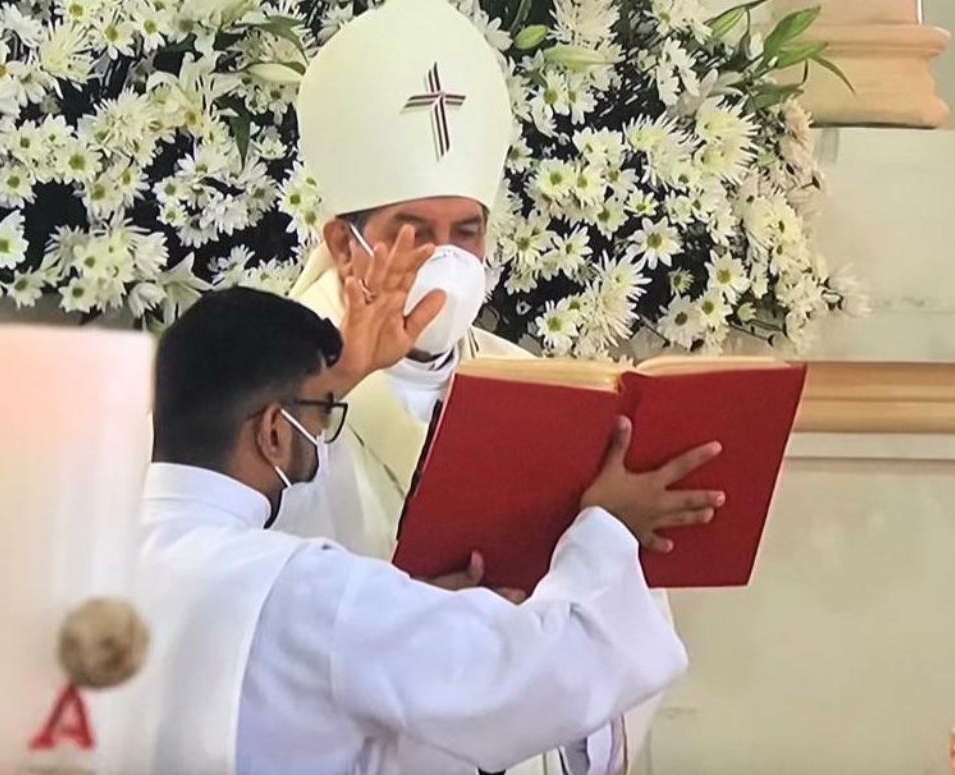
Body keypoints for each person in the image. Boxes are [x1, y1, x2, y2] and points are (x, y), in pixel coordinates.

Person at [286, 0, 722, 770]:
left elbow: (627, 634)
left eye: (466, 231)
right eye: (410, 229)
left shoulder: (542, 386)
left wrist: (614, 541)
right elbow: (240, 612)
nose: (444, 258)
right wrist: (412, 624)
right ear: (343, 244)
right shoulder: (279, 394)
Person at [116, 227, 709, 775]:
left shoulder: (89, 560)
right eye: (323, 413)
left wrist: (415, 612)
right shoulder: (307, 589)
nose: (323, 436)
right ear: (273, 432)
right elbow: (532, 677)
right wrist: (607, 528)